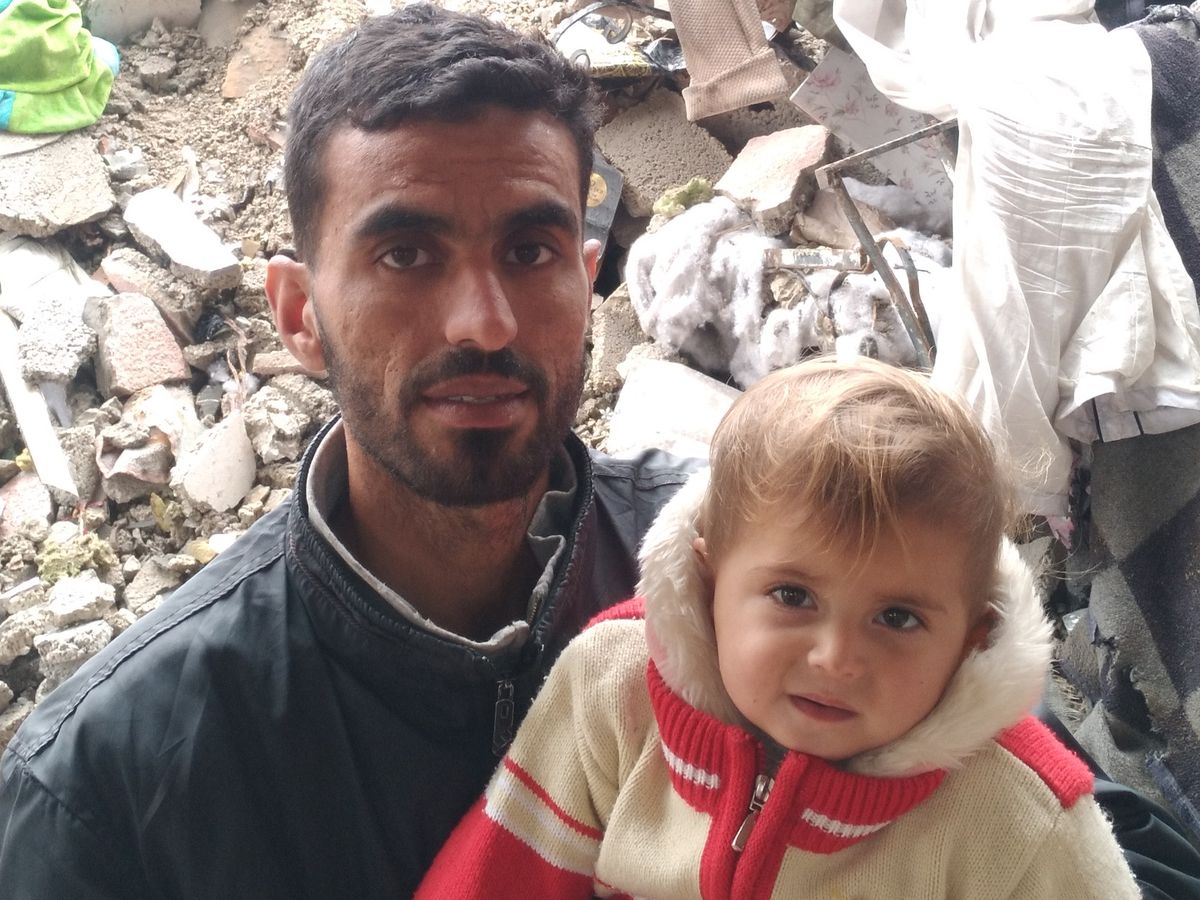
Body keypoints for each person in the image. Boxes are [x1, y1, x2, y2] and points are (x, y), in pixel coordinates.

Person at [0, 6, 697, 897]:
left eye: (530, 251)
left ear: (586, 279)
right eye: (406, 255)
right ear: (299, 316)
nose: (485, 323)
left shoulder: (740, 579)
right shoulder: (110, 789)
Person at [417, 357, 1141, 898]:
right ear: (709, 581)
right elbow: (501, 873)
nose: (836, 658)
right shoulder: (614, 689)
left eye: (897, 617)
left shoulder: (1020, 814)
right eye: (793, 596)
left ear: (972, 638)